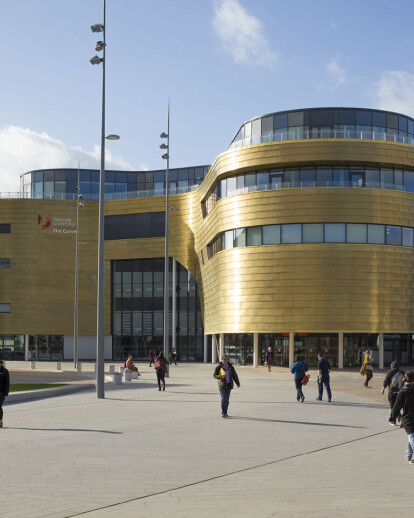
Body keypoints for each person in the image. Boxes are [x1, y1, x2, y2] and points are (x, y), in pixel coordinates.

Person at [391, 370, 414, 464]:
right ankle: (408, 455)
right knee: (412, 435)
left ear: (404, 379)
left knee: (411, 436)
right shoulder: (404, 391)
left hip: (407, 417)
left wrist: (393, 417)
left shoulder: (402, 391)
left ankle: (408, 455)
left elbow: (397, 406)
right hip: (409, 418)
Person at [381, 361, 405, 425]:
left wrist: (383, 388)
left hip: (392, 392)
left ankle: (399, 419)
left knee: (393, 407)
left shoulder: (390, 372)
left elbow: (386, 381)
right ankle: (393, 420)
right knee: (396, 406)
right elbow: (406, 380)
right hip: (400, 391)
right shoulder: (402, 372)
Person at [0, 360, 10, 428]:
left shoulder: (5, 371)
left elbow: (7, 383)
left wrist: (5, 393)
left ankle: (0, 421)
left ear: (1, 363)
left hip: (1, 392)